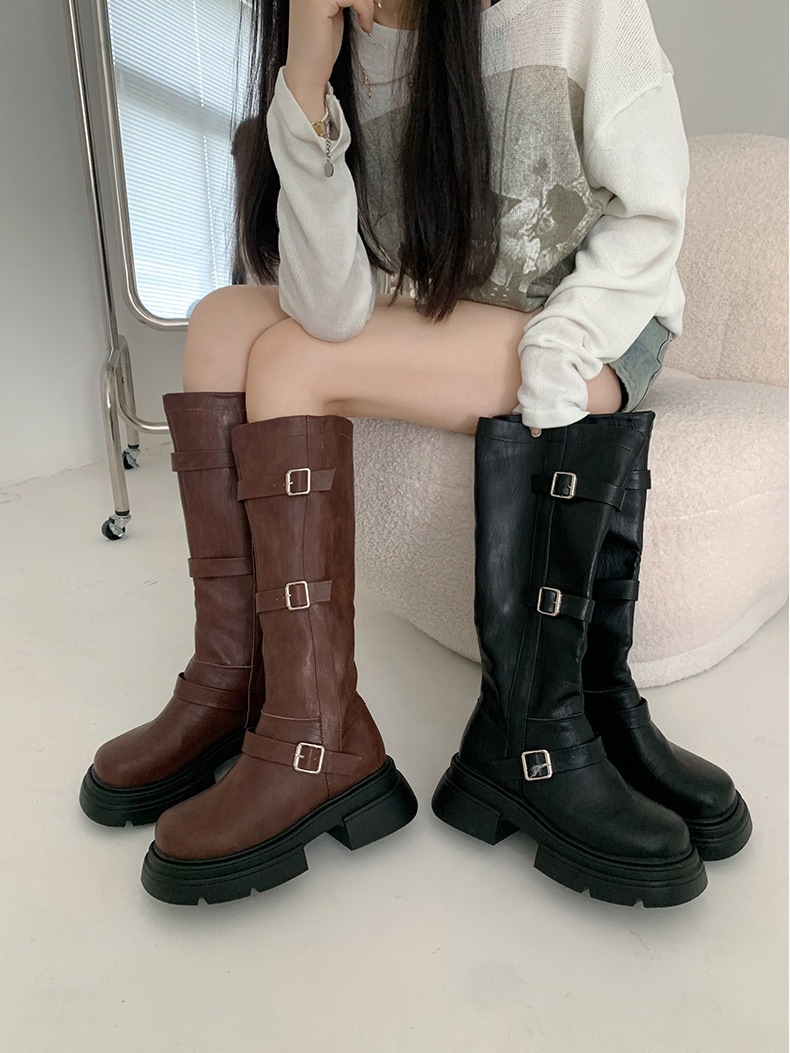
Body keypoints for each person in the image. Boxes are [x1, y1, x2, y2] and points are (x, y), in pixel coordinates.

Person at [79, 0, 751, 906]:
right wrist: (306, 79)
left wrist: (561, 348)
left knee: (290, 363)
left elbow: (650, 217)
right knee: (219, 325)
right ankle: (239, 683)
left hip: (596, 320)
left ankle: (327, 739)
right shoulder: (345, 38)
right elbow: (331, 306)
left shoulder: (574, 10)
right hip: (447, 311)